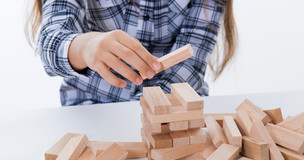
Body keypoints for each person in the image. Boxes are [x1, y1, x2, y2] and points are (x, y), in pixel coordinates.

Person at [26, 0, 237, 106]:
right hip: (90, 111)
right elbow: (50, 42)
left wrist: (147, 110)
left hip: (175, 109)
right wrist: (85, 46)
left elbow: (189, 66)